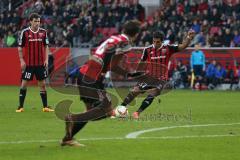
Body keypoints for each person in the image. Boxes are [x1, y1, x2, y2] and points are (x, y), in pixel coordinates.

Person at [61, 20, 141, 146]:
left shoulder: (114, 37)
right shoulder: (126, 44)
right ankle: (73, 118)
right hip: (93, 77)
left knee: (90, 110)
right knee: (107, 109)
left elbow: (110, 63)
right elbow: (111, 60)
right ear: (136, 34)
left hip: (84, 73)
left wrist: (128, 74)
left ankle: (68, 138)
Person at [117, 30, 195, 119]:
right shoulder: (147, 50)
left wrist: (188, 38)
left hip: (161, 78)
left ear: (162, 41)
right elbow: (141, 64)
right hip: (149, 76)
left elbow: (183, 46)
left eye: (157, 42)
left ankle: (137, 113)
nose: (155, 43)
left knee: (153, 93)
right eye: (154, 41)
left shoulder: (168, 48)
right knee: (135, 91)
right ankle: (121, 108)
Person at [16, 13, 54, 112]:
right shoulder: (25, 32)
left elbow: (46, 46)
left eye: (38, 21)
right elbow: (20, 47)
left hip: (40, 64)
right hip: (28, 64)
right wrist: (21, 60)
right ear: (31, 21)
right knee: (24, 84)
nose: (37, 23)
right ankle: (20, 107)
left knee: (42, 84)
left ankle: (45, 107)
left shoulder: (43, 32)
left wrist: (46, 59)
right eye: (35, 21)